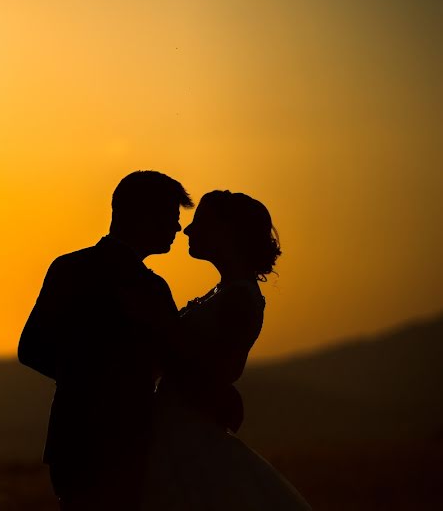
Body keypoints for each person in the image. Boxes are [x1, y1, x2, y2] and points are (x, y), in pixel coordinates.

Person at [18, 170, 193, 510]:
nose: (177, 228)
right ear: (142, 216)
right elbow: (177, 360)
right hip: (125, 443)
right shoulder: (150, 288)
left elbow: (31, 350)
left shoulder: (68, 267)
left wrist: (78, 378)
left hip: (71, 441)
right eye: (171, 218)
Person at [140, 190, 311, 509]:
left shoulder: (240, 299)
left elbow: (222, 372)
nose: (188, 230)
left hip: (188, 438)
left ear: (227, 232)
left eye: (200, 222)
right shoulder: (224, 292)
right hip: (173, 430)